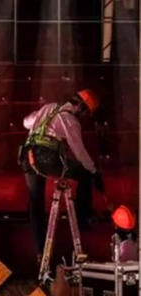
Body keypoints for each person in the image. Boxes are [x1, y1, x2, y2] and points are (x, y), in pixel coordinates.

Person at [18, 89, 104, 261]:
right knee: (84, 174)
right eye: (85, 113)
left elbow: (26, 122)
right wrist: (94, 172)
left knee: (35, 204)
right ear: (80, 107)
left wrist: (41, 120)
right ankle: (83, 219)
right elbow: (79, 152)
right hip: (47, 159)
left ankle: (40, 252)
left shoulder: (49, 107)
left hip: (28, 157)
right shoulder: (71, 120)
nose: (84, 117)